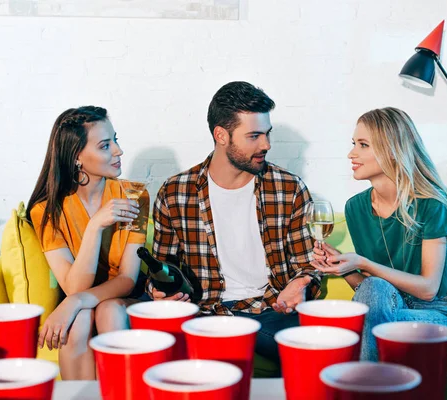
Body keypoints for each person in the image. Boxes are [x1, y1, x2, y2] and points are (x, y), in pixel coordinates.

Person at [149, 81, 321, 364]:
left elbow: (308, 265)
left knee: (312, 350)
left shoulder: (288, 188)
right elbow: (161, 267)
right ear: (221, 135)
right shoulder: (175, 192)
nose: (266, 145)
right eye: (254, 136)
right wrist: (159, 293)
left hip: (268, 312)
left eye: (267, 134)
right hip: (202, 312)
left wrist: (301, 283)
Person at [311, 107, 447, 361]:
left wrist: (362, 263)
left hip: (436, 314)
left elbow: (428, 289)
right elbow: (370, 290)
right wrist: (346, 268)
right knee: (374, 292)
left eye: (363, 145)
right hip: (384, 309)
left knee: (360, 320)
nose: (351, 153)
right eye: (354, 144)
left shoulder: (431, 206)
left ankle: (362, 385)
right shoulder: (356, 207)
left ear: (393, 151)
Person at [27, 106, 149, 379]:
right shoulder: (46, 212)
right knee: (79, 320)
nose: (118, 151)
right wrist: (95, 226)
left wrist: (74, 302)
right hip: (79, 295)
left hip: (125, 297)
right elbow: (73, 286)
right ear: (77, 157)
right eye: (106, 145)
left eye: (115, 140)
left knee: (108, 311)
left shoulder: (135, 195)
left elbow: (128, 279)